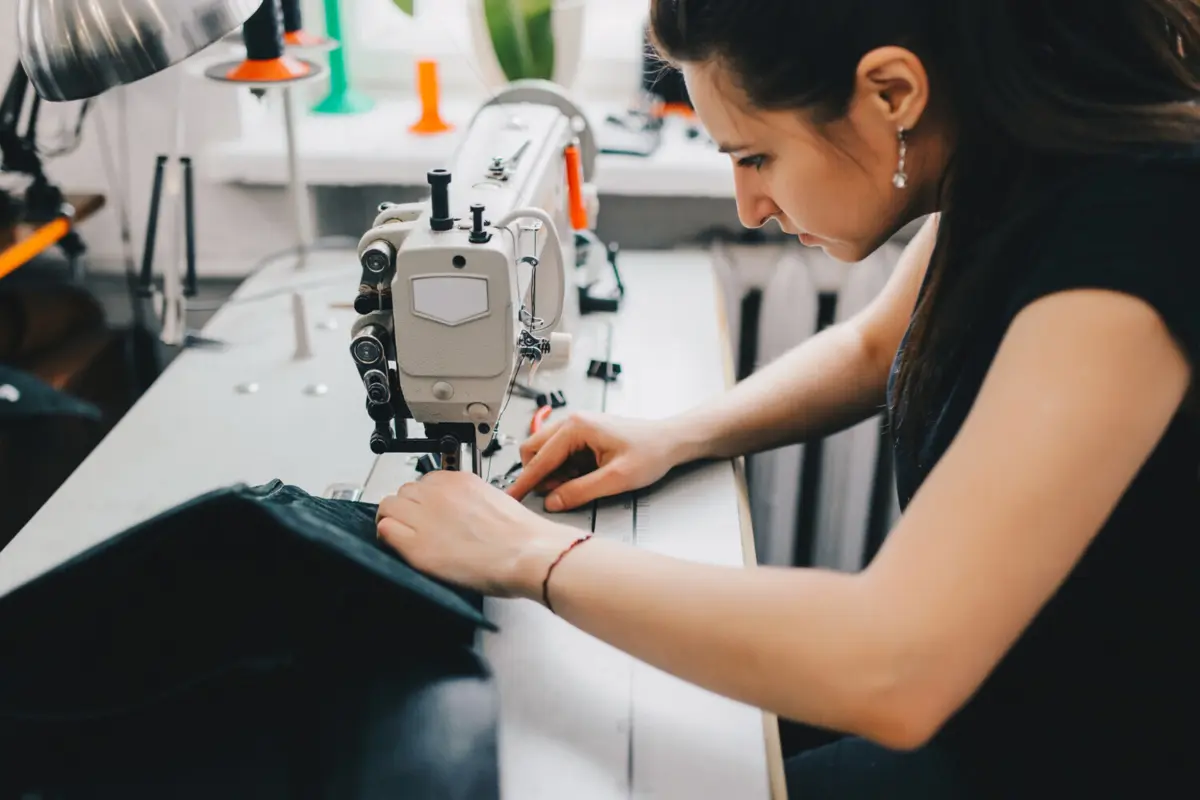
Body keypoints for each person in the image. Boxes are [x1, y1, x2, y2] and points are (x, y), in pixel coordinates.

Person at [375, 0, 1199, 796]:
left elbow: (896, 666)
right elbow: (877, 345)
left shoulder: (1135, 233)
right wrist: (676, 434)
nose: (749, 206)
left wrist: (530, 556)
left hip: (1071, 760)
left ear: (892, 94)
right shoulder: (1012, 146)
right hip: (996, 707)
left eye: (756, 156)